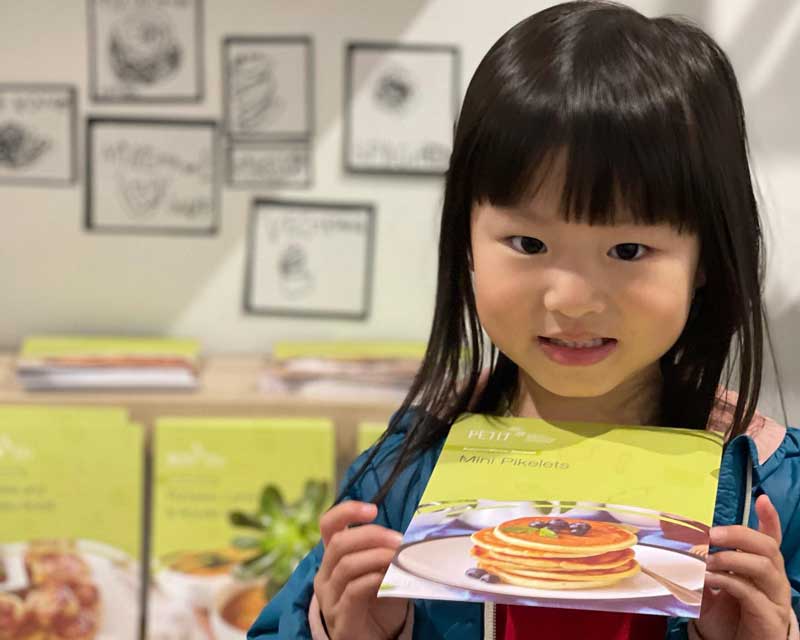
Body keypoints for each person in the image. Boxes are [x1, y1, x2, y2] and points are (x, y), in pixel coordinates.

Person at [248, 1, 800, 638]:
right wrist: (348, 629)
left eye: (628, 251)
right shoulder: (404, 472)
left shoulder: (765, 490)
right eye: (528, 245)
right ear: (467, 238)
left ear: (706, 256)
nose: (570, 299)